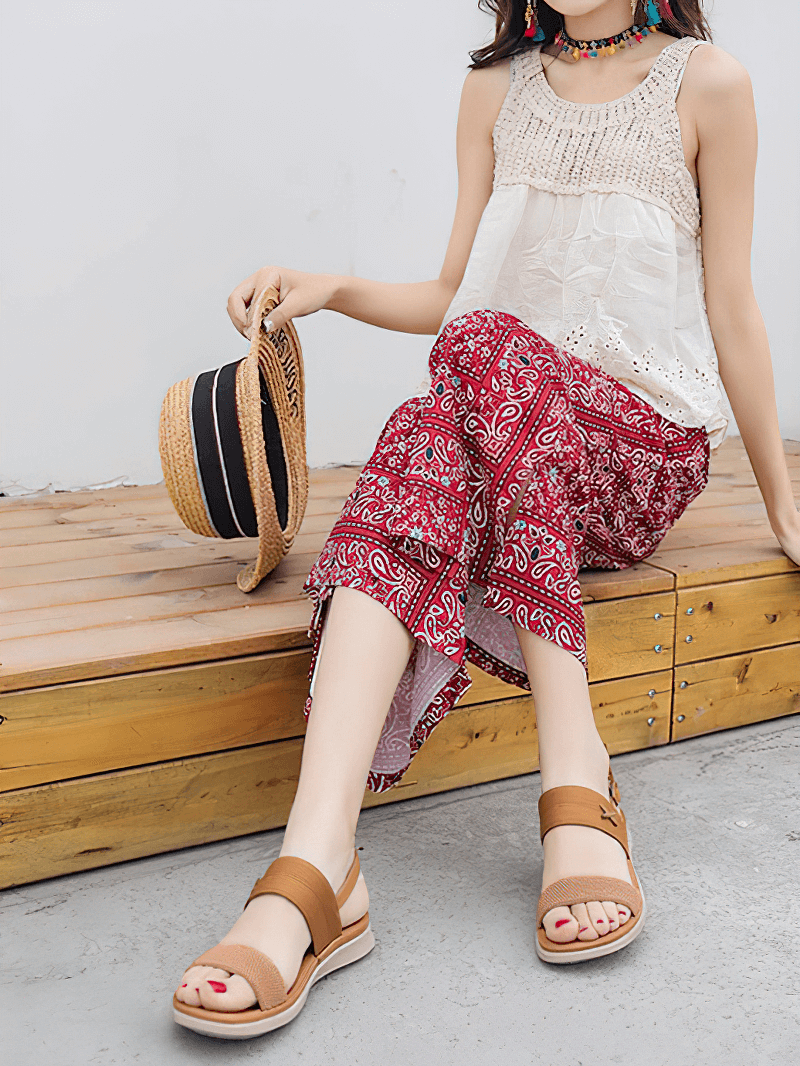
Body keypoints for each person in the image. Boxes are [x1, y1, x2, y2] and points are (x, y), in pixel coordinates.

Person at [173, 0, 800, 1037]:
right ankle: (321, 857)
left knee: (485, 351)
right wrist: (326, 285)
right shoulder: (490, 92)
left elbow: (730, 300)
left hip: (630, 456)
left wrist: (781, 496)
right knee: (430, 420)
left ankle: (569, 759)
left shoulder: (707, 85)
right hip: (498, 419)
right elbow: (450, 293)